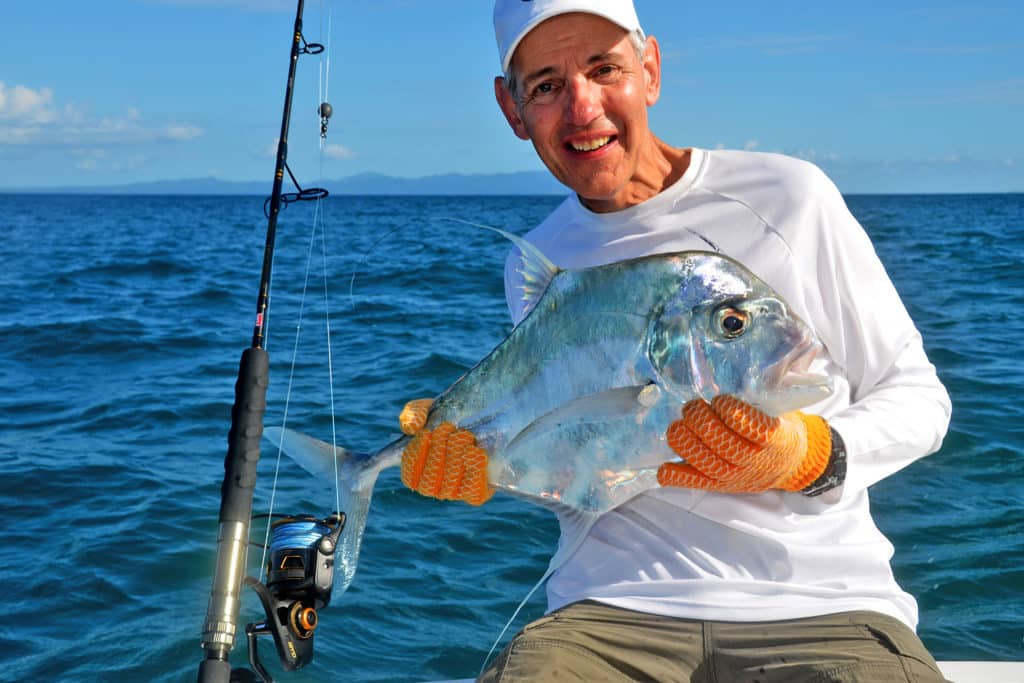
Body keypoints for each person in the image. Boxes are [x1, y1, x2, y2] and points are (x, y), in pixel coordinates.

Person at [399, 1, 953, 680]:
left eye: (605, 69)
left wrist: (812, 455)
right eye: (546, 85)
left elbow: (919, 397)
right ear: (512, 110)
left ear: (651, 70)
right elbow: (590, 462)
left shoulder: (788, 197)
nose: (582, 107)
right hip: (605, 611)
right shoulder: (537, 261)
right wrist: (483, 463)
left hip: (821, 604)